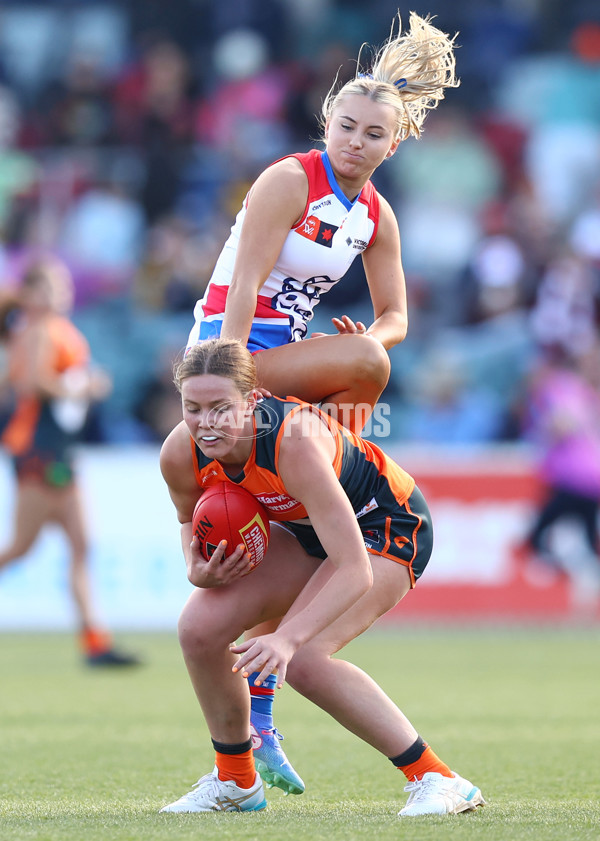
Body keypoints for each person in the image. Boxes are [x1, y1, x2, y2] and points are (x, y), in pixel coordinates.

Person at [185, 10, 459, 792]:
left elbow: (398, 317)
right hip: (229, 352)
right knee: (361, 368)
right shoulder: (289, 178)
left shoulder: (375, 215)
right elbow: (241, 288)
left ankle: (260, 714)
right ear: (326, 121)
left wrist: (366, 339)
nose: (355, 141)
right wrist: (229, 380)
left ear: (392, 144)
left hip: (281, 371)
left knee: (365, 369)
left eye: (374, 134)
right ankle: (320, 469)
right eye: (346, 125)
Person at [158, 337, 485, 817]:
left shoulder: (295, 443)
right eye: (193, 408)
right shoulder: (180, 453)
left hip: (386, 527)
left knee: (307, 658)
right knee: (199, 630)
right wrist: (195, 565)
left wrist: (287, 639)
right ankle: (236, 781)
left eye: (220, 408)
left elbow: (353, 569)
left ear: (252, 401)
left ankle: (438, 777)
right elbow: (189, 520)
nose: (207, 424)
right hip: (310, 536)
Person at [0, 257, 141, 667]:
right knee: (26, 546)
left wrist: (84, 384)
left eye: (60, 286)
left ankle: (96, 641)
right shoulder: (39, 330)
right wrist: (80, 386)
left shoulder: (49, 330)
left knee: (80, 544)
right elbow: (29, 383)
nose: (58, 294)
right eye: (48, 287)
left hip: (56, 449)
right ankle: (95, 641)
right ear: (29, 294)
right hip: (40, 447)